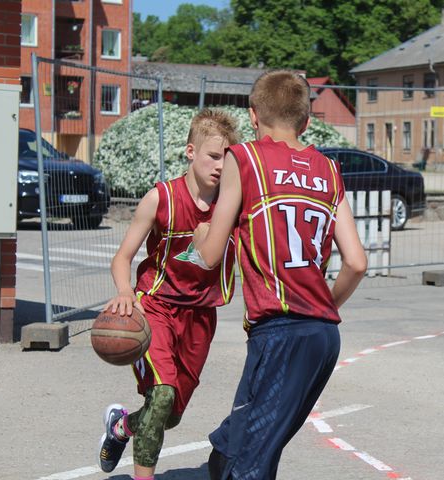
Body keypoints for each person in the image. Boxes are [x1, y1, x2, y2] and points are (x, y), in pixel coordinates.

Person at [193, 70, 368, 480]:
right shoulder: (329, 169)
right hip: (323, 337)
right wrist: (323, 306)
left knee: (252, 464)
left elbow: (211, 255)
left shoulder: (245, 158)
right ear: (306, 122)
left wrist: (202, 236)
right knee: (235, 442)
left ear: (253, 115)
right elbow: (357, 263)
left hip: (278, 333)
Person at [97, 108, 239, 480]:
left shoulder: (233, 206)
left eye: (227, 158)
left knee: (169, 415)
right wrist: (125, 292)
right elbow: (122, 257)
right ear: (191, 151)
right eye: (213, 155)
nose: (220, 166)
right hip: (155, 307)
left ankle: (121, 427)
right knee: (161, 396)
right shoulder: (161, 199)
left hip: (200, 316)